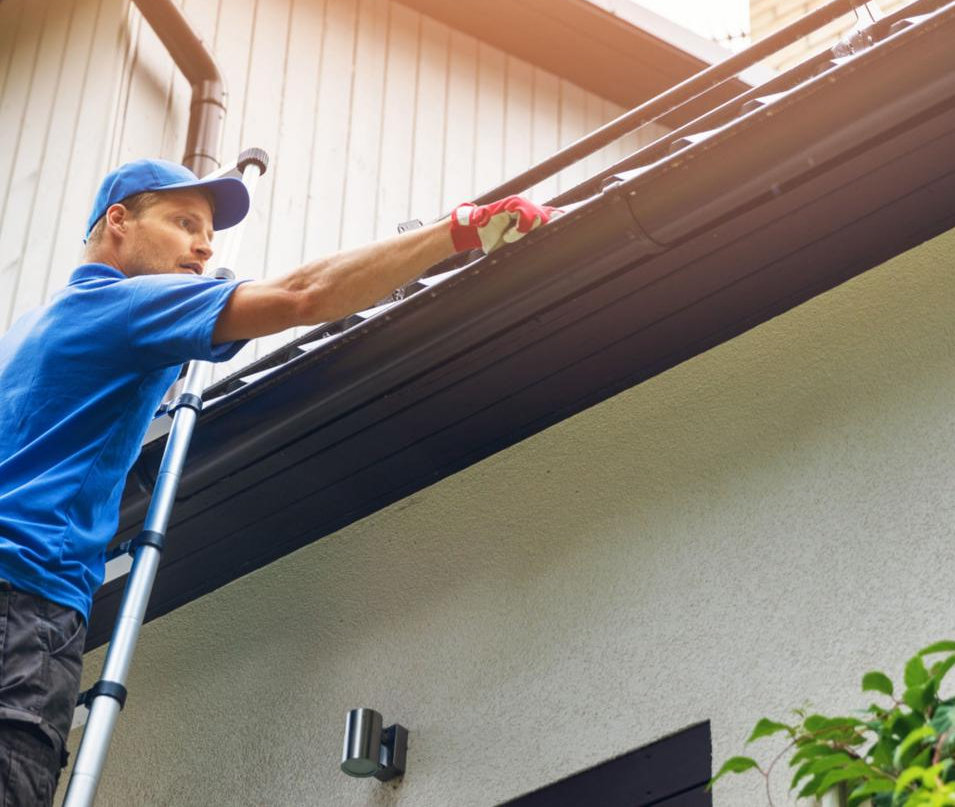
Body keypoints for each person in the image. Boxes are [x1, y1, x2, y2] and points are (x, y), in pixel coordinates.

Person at [0, 157, 560, 804]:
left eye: (209, 233)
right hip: (25, 602)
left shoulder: (25, 334)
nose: (205, 247)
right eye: (184, 223)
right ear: (119, 221)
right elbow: (304, 294)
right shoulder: (125, 305)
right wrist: (459, 229)